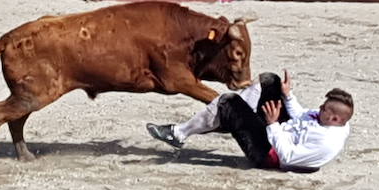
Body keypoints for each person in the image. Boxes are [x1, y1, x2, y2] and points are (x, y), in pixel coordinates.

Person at [146, 71, 353, 172]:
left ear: (335, 118)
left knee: (227, 101)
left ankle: (180, 133)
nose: (319, 109)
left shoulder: (327, 142)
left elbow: (288, 158)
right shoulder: (334, 120)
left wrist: (272, 124)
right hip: (279, 132)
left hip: (269, 155)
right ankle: (228, 118)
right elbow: (301, 116)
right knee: (270, 81)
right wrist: (288, 96)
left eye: (324, 109)